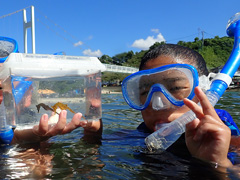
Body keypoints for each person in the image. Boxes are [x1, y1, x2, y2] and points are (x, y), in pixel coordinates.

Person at [120, 43, 240, 170]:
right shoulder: (142, 133)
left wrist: (219, 163)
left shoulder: (226, 137)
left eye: (176, 88)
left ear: (205, 90)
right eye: (145, 92)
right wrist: (96, 135)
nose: (158, 105)